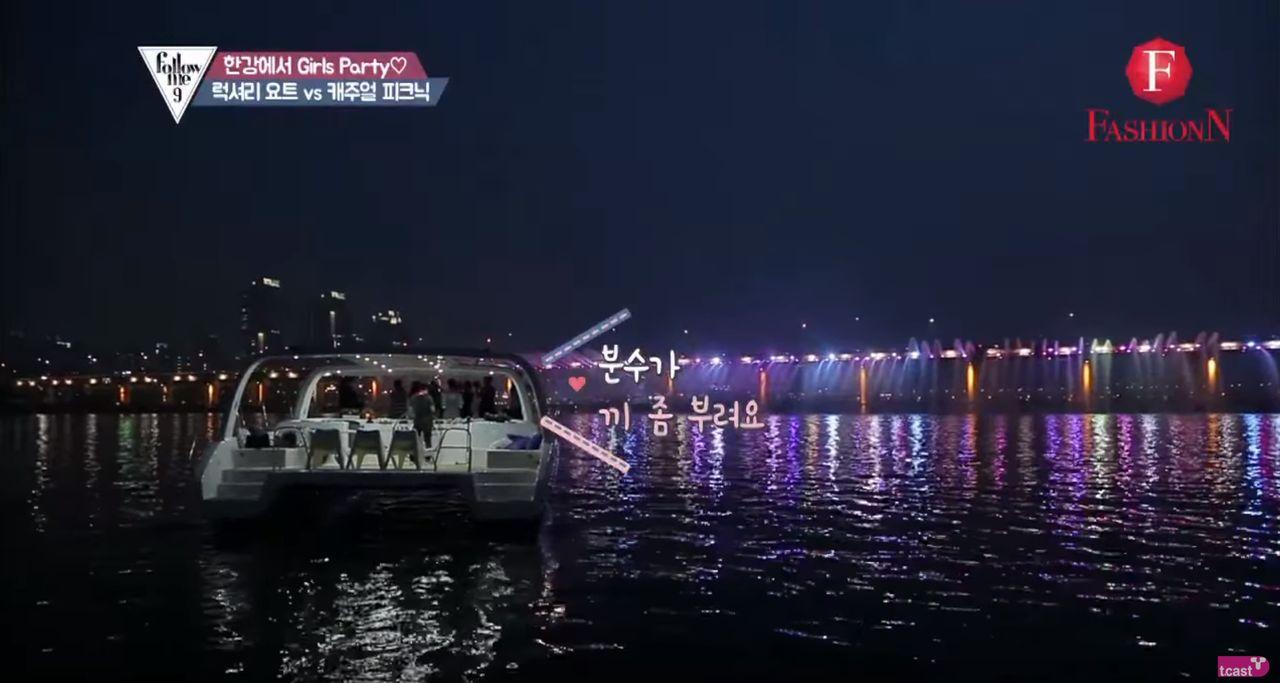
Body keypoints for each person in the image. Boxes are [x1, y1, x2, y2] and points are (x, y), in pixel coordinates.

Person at [408, 381, 434, 450]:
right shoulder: (429, 398)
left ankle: (415, 452)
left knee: (416, 438)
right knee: (427, 439)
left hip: (417, 421)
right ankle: (428, 452)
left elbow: (410, 410)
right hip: (427, 421)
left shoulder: (413, 397)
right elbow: (432, 409)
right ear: (426, 389)